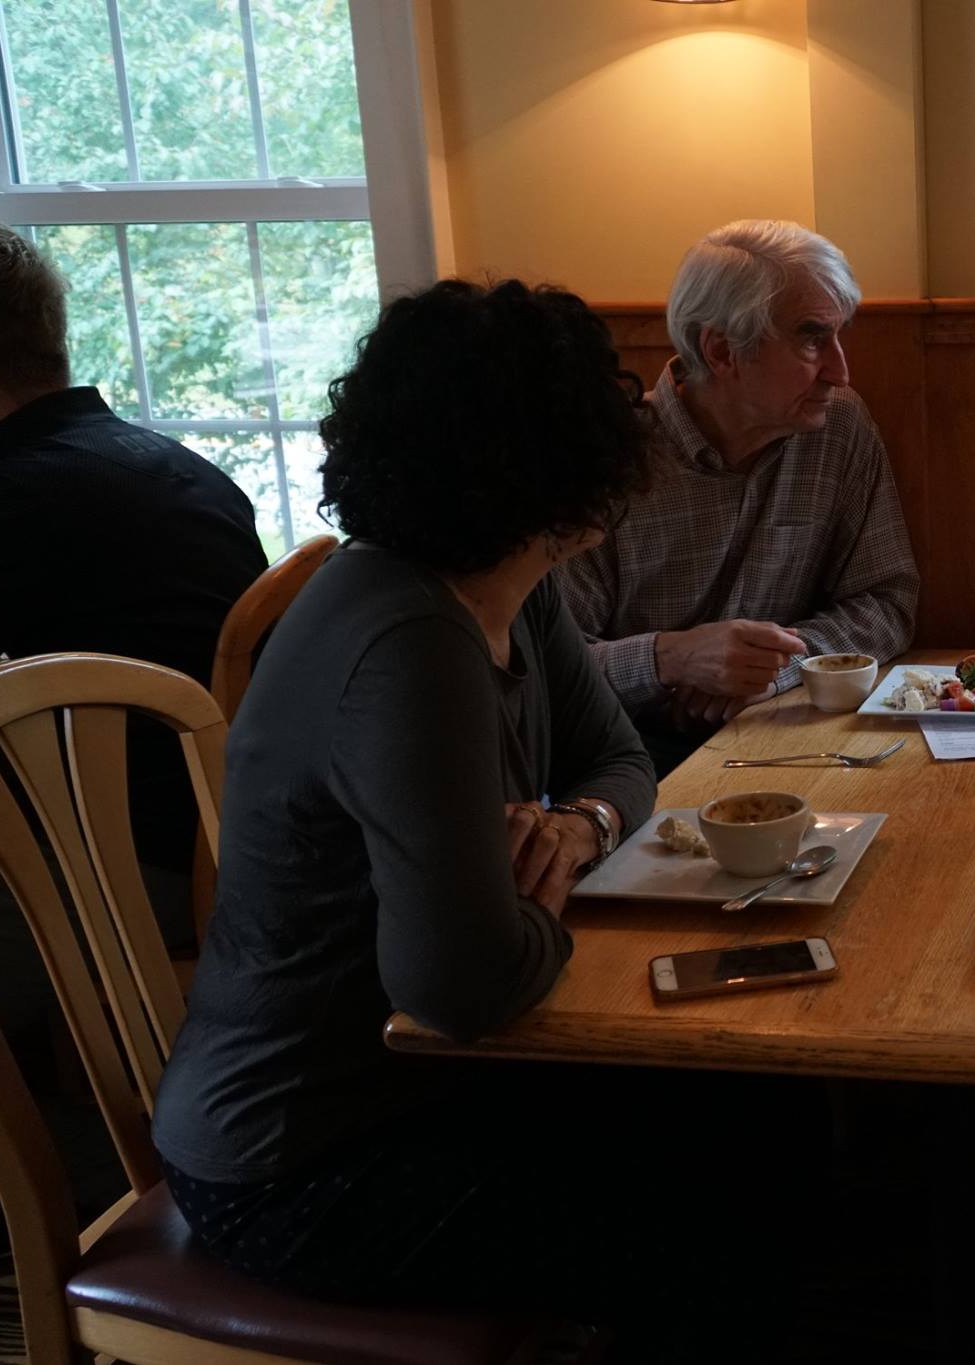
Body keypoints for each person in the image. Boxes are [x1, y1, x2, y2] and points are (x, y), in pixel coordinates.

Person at [150, 279, 812, 1361]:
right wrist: (532, 910)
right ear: (568, 463)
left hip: (409, 1090)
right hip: (299, 1160)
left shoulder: (508, 584)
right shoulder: (411, 645)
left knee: (756, 1116)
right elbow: (458, 986)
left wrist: (577, 831)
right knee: (705, 1216)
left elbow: (620, 760)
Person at [0, 221, 264, 1080]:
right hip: (234, 844)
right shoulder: (173, 465)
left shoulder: (11, 500)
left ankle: (47, 1187)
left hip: (133, 878)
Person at [561, 219, 920, 775]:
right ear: (723, 350)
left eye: (839, 334)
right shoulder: (608, 458)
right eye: (810, 338)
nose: (840, 371)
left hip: (790, 732)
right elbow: (544, 665)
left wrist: (773, 669)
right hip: (626, 759)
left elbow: (887, 600)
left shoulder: (839, 427)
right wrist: (672, 660)